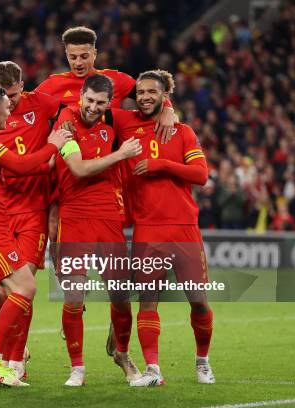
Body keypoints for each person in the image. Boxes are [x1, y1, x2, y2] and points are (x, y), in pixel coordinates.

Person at [35, 26, 176, 356]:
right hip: (70, 174)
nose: (79, 62)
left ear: (95, 54)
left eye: (85, 56)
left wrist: (168, 107)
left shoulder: (115, 80)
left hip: (110, 173)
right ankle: (74, 297)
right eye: (72, 57)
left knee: (117, 255)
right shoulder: (53, 86)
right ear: (64, 55)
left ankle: (118, 318)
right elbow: (28, 110)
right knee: (55, 229)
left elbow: (149, 91)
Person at [0, 86, 70, 386]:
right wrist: (53, 144)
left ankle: (7, 358)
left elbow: (17, 171)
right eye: (7, 107)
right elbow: (18, 164)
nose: (11, 112)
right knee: (25, 285)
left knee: (15, 289)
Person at [110, 69, 215, 386]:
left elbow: (201, 175)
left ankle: (202, 361)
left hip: (184, 227)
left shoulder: (181, 131)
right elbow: (91, 109)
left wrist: (161, 165)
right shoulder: (125, 123)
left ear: (164, 95)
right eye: (140, 92)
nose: (144, 97)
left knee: (198, 301)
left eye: (151, 92)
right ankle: (153, 369)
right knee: (148, 299)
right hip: (147, 228)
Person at [54, 74, 143, 386]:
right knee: (75, 295)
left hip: (107, 215)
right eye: (88, 100)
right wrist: (120, 154)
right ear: (81, 95)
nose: (92, 107)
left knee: (121, 295)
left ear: (109, 103)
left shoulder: (113, 121)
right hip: (74, 215)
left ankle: (122, 353)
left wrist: (169, 109)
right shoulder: (65, 124)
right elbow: (77, 169)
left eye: (100, 103)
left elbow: (149, 108)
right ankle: (77, 368)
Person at [0, 60, 61, 379]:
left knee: (23, 284)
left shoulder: (40, 104)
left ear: (22, 86)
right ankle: (18, 347)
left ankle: (14, 363)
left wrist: (59, 145)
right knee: (1, 294)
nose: (11, 102)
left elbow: (74, 110)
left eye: (15, 94)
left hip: (33, 211)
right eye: (5, 96)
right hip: (1, 213)